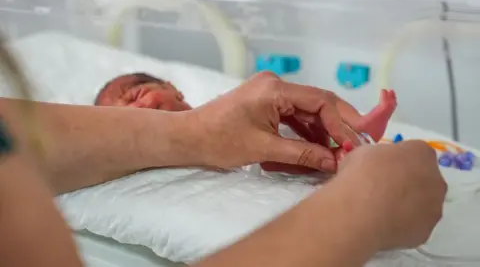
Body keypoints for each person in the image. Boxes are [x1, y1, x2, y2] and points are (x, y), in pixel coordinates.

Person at [0, 71, 446, 267]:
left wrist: (194, 131)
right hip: (355, 179)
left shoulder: (218, 110)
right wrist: (364, 206)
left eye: (137, 91)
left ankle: (364, 131)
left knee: (323, 130)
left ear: (173, 88)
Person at [94, 72, 397, 173]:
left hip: (279, 121)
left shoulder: (222, 101)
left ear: (173, 88)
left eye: (136, 95)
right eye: (121, 113)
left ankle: (361, 122)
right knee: (289, 162)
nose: (134, 109)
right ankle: (343, 156)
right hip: (270, 154)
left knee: (314, 97)